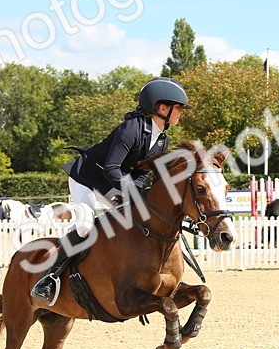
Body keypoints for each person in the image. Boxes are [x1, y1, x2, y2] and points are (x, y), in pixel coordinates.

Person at [30, 76, 190, 306]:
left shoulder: (161, 140)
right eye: (179, 108)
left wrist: (141, 196)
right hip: (87, 178)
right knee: (85, 226)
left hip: (111, 183)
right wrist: (133, 193)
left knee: (135, 220)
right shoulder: (131, 129)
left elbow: (141, 173)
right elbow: (110, 168)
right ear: (162, 108)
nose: (181, 113)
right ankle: (48, 278)